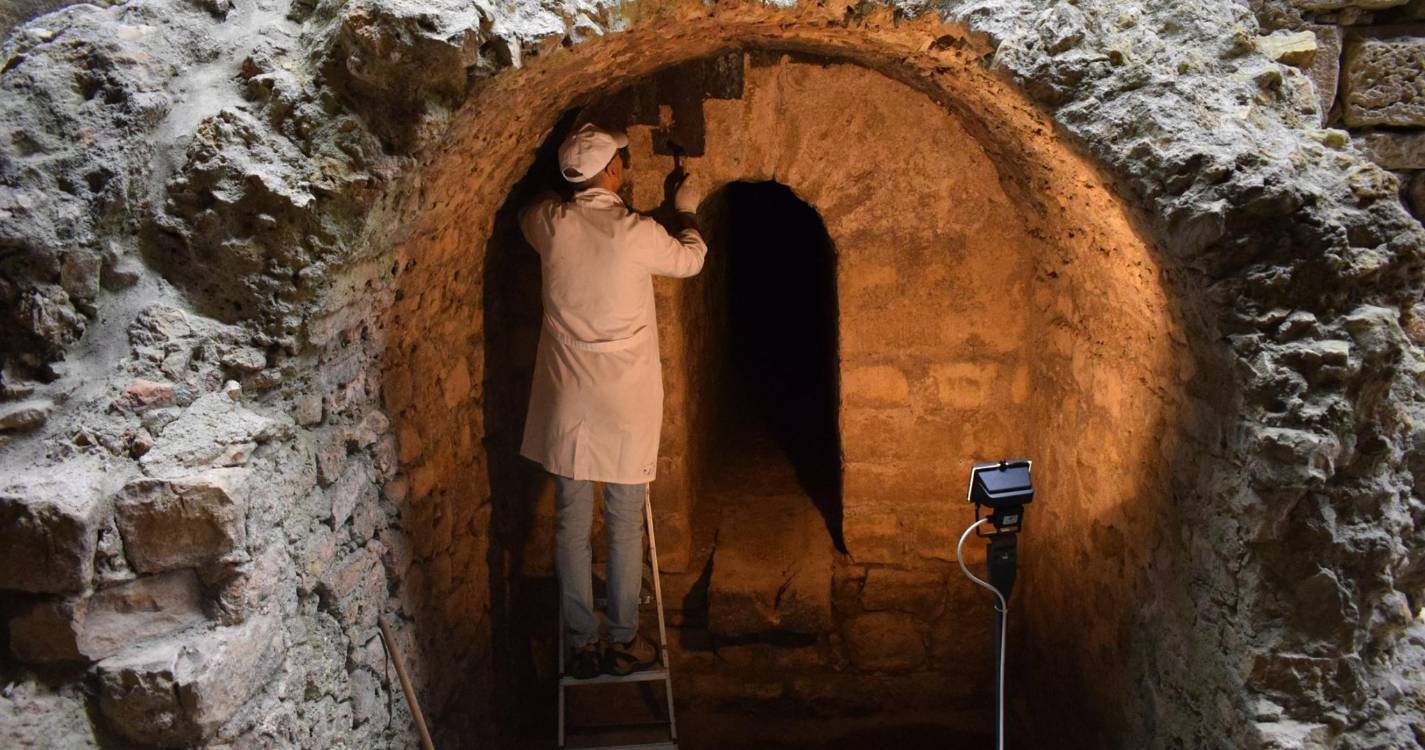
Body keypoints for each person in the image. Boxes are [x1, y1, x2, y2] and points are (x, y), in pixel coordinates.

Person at [517, 122, 708, 679]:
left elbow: (533, 209)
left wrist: (559, 193)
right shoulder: (634, 232)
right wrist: (688, 211)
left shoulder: (550, 225)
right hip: (624, 403)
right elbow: (691, 260)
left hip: (569, 402)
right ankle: (622, 637)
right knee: (624, 523)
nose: (624, 166)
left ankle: (581, 641)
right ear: (613, 171)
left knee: (570, 523)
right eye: (620, 159)